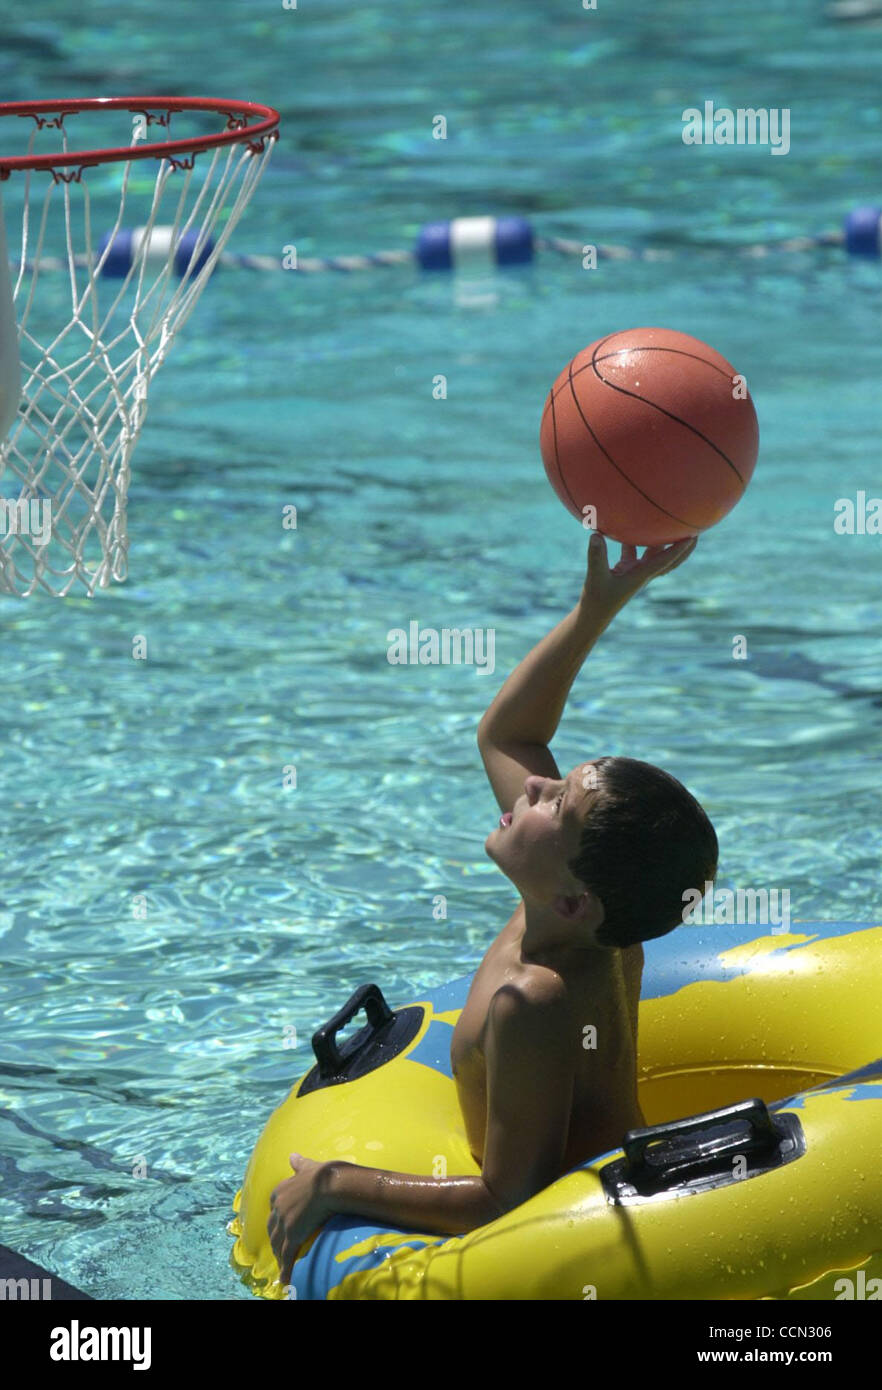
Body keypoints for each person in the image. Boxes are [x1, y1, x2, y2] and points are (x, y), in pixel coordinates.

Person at [268, 529, 718, 1286]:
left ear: (575, 898)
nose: (534, 788)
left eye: (556, 802)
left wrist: (334, 1182)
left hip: (594, 1264)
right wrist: (596, 606)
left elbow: (510, 1198)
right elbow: (509, 733)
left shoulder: (534, 998)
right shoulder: (587, 916)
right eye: (555, 780)